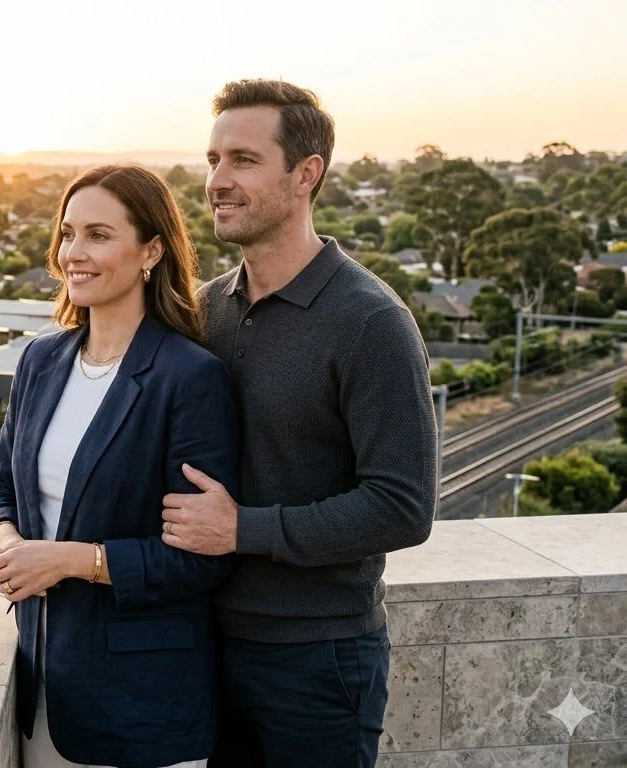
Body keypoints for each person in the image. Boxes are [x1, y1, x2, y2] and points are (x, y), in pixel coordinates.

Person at [160, 79, 438, 767]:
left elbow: (403, 507)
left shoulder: (371, 322)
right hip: (202, 644)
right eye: (213, 159)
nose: (217, 181)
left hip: (318, 661)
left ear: (305, 174)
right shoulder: (204, 312)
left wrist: (242, 530)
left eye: (243, 161)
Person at [0, 163, 239, 768]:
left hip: (141, 706)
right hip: (41, 685)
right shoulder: (41, 360)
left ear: (151, 249)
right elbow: (1, 489)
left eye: (98, 235)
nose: (74, 252)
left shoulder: (190, 378)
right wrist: (10, 540)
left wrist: (73, 560)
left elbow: (200, 561)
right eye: (68, 234)